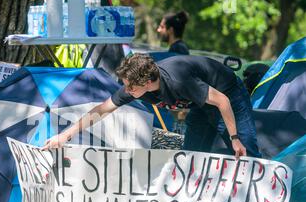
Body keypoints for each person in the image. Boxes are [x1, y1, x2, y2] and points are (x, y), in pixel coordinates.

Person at [44, 53, 261, 159]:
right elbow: (101, 109)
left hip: (228, 93)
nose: (127, 91)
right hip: (200, 103)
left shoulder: (178, 80)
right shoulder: (136, 85)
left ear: (147, 83)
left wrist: (234, 138)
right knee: (190, 156)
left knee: (245, 150)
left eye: (131, 87)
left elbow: (222, 101)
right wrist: (65, 135)